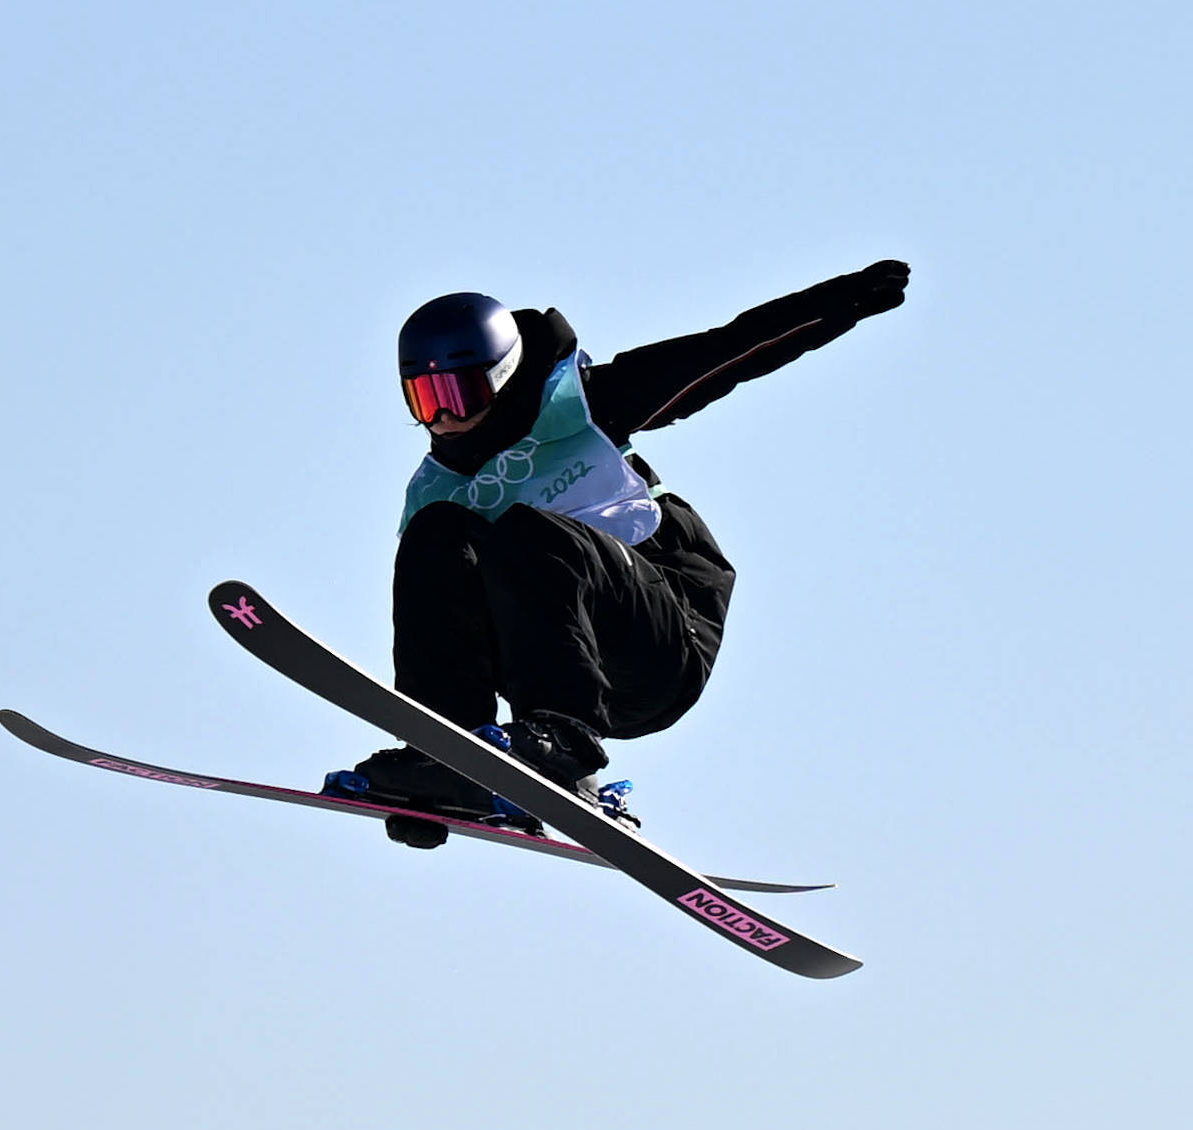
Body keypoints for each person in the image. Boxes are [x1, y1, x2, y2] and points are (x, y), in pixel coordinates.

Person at [321, 258, 911, 845]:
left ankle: (565, 740)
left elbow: (728, 351)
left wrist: (841, 303)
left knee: (531, 532)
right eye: (425, 400)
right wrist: (434, 796)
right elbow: (444, 621)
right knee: (432, 536)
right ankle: (445, 749)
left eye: (459, 392)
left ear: (502, 378)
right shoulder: (435, 489)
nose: (445, 418)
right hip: (550, 649)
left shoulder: (583, 406)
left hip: (658, 645)